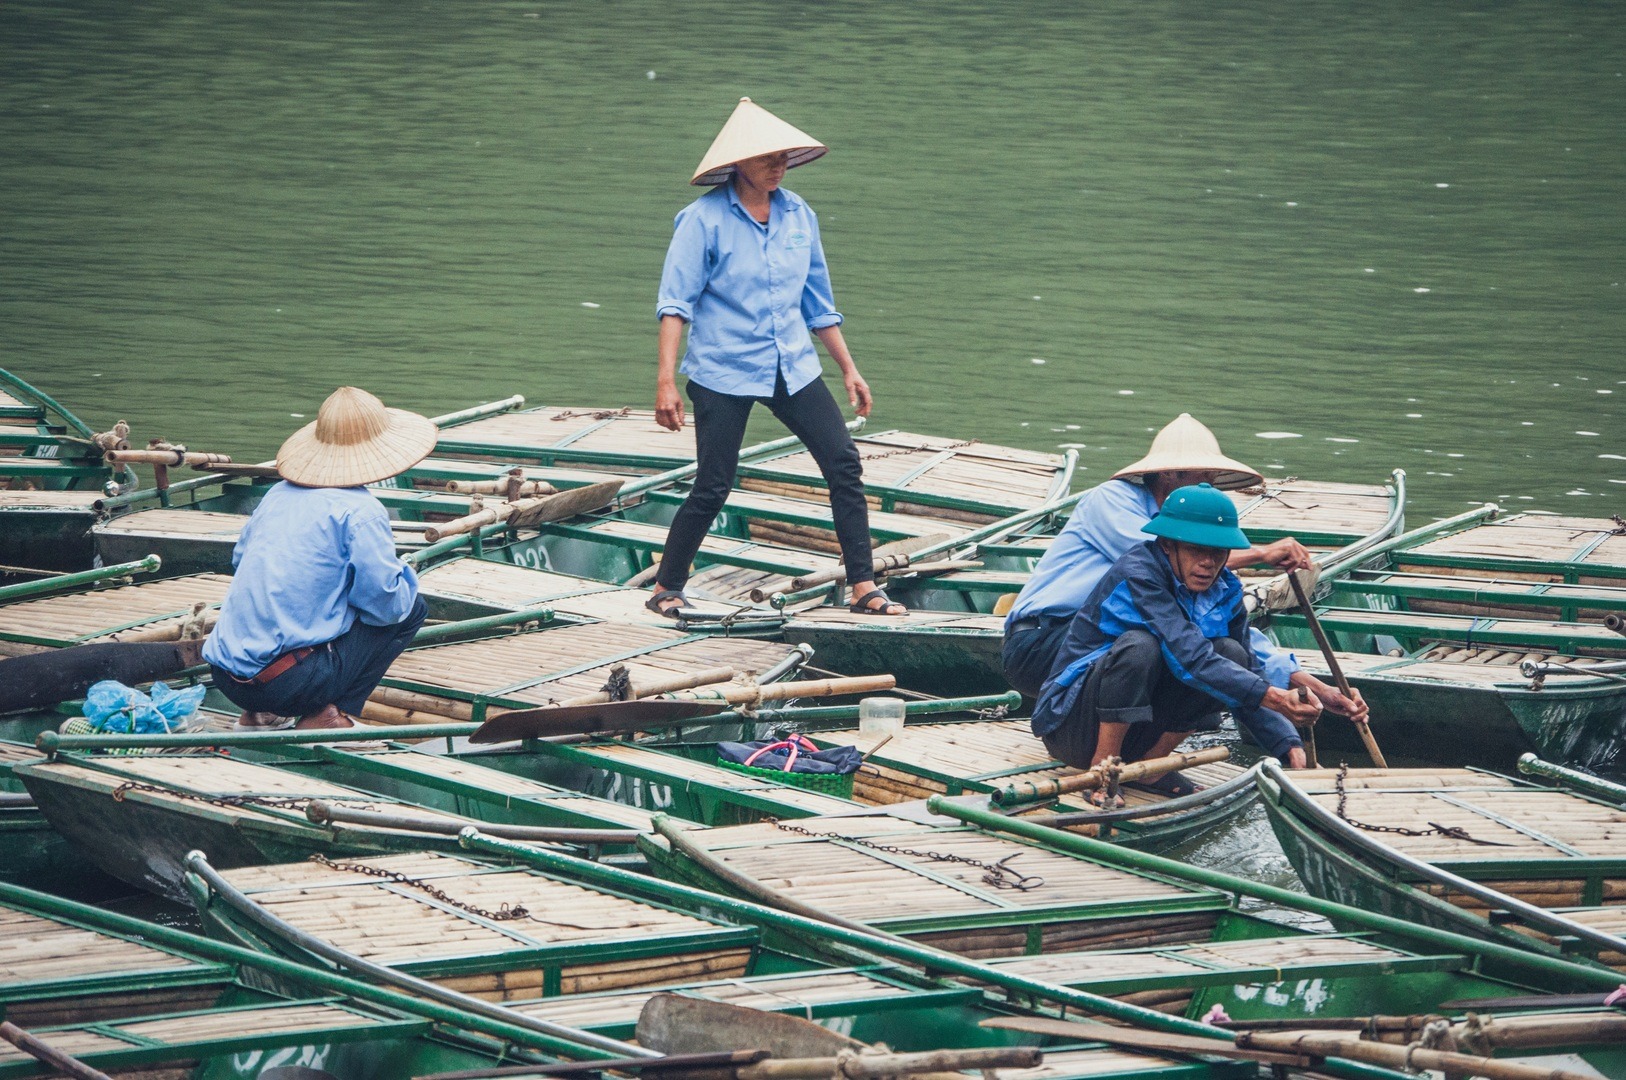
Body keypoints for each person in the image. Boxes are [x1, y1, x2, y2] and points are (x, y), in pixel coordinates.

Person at [649, 97, 904, 618]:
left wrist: (849, 369)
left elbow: (818, 303)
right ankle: (667, 586)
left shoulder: (798, 214)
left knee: (843, 463)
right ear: (738, 163)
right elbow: (675, 304)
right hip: (724, 370)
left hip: (793, 364)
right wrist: (666, 380)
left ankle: (863, 585)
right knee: (714, 483)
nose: (779, 163)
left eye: (784, 155)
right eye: (767, 157)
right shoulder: (703, 222)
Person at [1031, 484, 1369, 800]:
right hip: (1072, 726)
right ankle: (1103, 770)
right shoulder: (1139, 572)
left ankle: (1151, 768)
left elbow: (1246, 673)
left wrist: (1289, 747)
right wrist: (1278, 698)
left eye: (1217, 553)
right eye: (1196, 551)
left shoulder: (1226, 590)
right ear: (1167, 545)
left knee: (1230, 653)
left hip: (1141, 731)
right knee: (1140, 647)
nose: (1208, 564)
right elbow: (1189, 656)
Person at [1003, 415, 1312, 750]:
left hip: (1122, 636)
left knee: (1216, 649)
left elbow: (1214, 628)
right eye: (1202, 474)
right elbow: (1170, 599)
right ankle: (1105, 762)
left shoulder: (1206, 578)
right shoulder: (1115, 507)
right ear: (1170, 472)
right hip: (1042, 641)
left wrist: (1289, 689)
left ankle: (1151, 764)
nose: (1208, 483)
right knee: (1147, 645)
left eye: (1212, 476)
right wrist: (1261, 554)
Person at [202, 387, 434, 730]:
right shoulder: (362, 512)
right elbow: (387, 605)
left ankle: (257, 716)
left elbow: (241, 561)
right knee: (410, 607)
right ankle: (327, 717)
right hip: (287, 685)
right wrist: (404, 575)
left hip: (224, 675)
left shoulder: (277, 494)